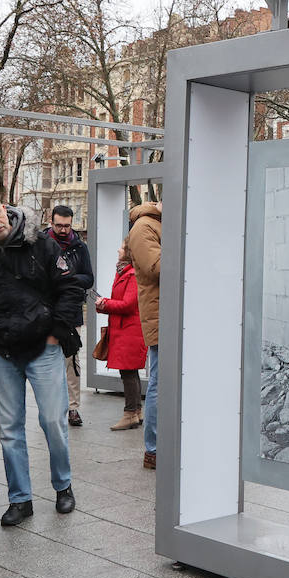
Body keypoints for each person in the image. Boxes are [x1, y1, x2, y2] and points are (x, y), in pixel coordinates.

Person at [0, 193, 83, 527]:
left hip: (43, 347)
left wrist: (54, 333)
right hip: (2, 351)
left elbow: (70, 289)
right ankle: (20, 498)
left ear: (5, 208)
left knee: (53, 422)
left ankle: (63, 486)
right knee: (9, 430)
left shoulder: (42, 244)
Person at [45, 205, 93, 427]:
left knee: (71, 361)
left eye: (67, 225)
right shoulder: (41, 243)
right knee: (45, 361)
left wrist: (70, 278)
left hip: (71, 312)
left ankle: (73, 407)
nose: (63, 230)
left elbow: (89, 278)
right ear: (51, 221)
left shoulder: (79, 247)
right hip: (45, 311)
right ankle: (51, 406)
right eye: (59, 225)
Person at [94, 239, 146, 432]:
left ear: (128, 252)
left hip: (129, 331)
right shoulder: (124, 272)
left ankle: (130, 413)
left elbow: (128, 305)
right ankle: (137, 412)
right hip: (125, 330)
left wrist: (105, 303)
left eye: (122, 247)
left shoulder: (132, 275)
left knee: (128, 373)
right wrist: (104, 305)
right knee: (130, 372)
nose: (118, 249)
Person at [127, 201, 162, 470]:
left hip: (175, 316)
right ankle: (154, 449)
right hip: (162, 318)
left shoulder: (161, 224)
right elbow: (157, 267)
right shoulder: (143, 226)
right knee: (160, 386)